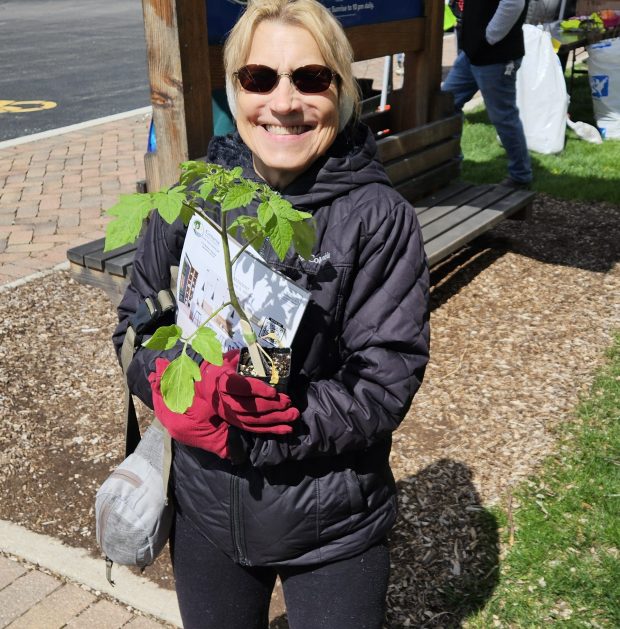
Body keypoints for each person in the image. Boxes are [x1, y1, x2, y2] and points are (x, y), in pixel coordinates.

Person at [112, 1, 430, 627]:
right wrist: (166, 382)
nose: (283, 103)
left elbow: (383, 381)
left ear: (343, 90)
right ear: (234, 90)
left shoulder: (378, 219)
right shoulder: (196, 193)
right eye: (260, 78)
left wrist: (275, 424)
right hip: (205, 510)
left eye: (311, 79)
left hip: (330, 525)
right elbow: (134, 323)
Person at [443, 0, 533, 189]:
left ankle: (520, 176)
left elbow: (513, 3)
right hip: (472, 52)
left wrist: (489, 37)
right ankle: (450, 166)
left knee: (503, 116)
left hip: (496, 55)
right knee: (445, 104)